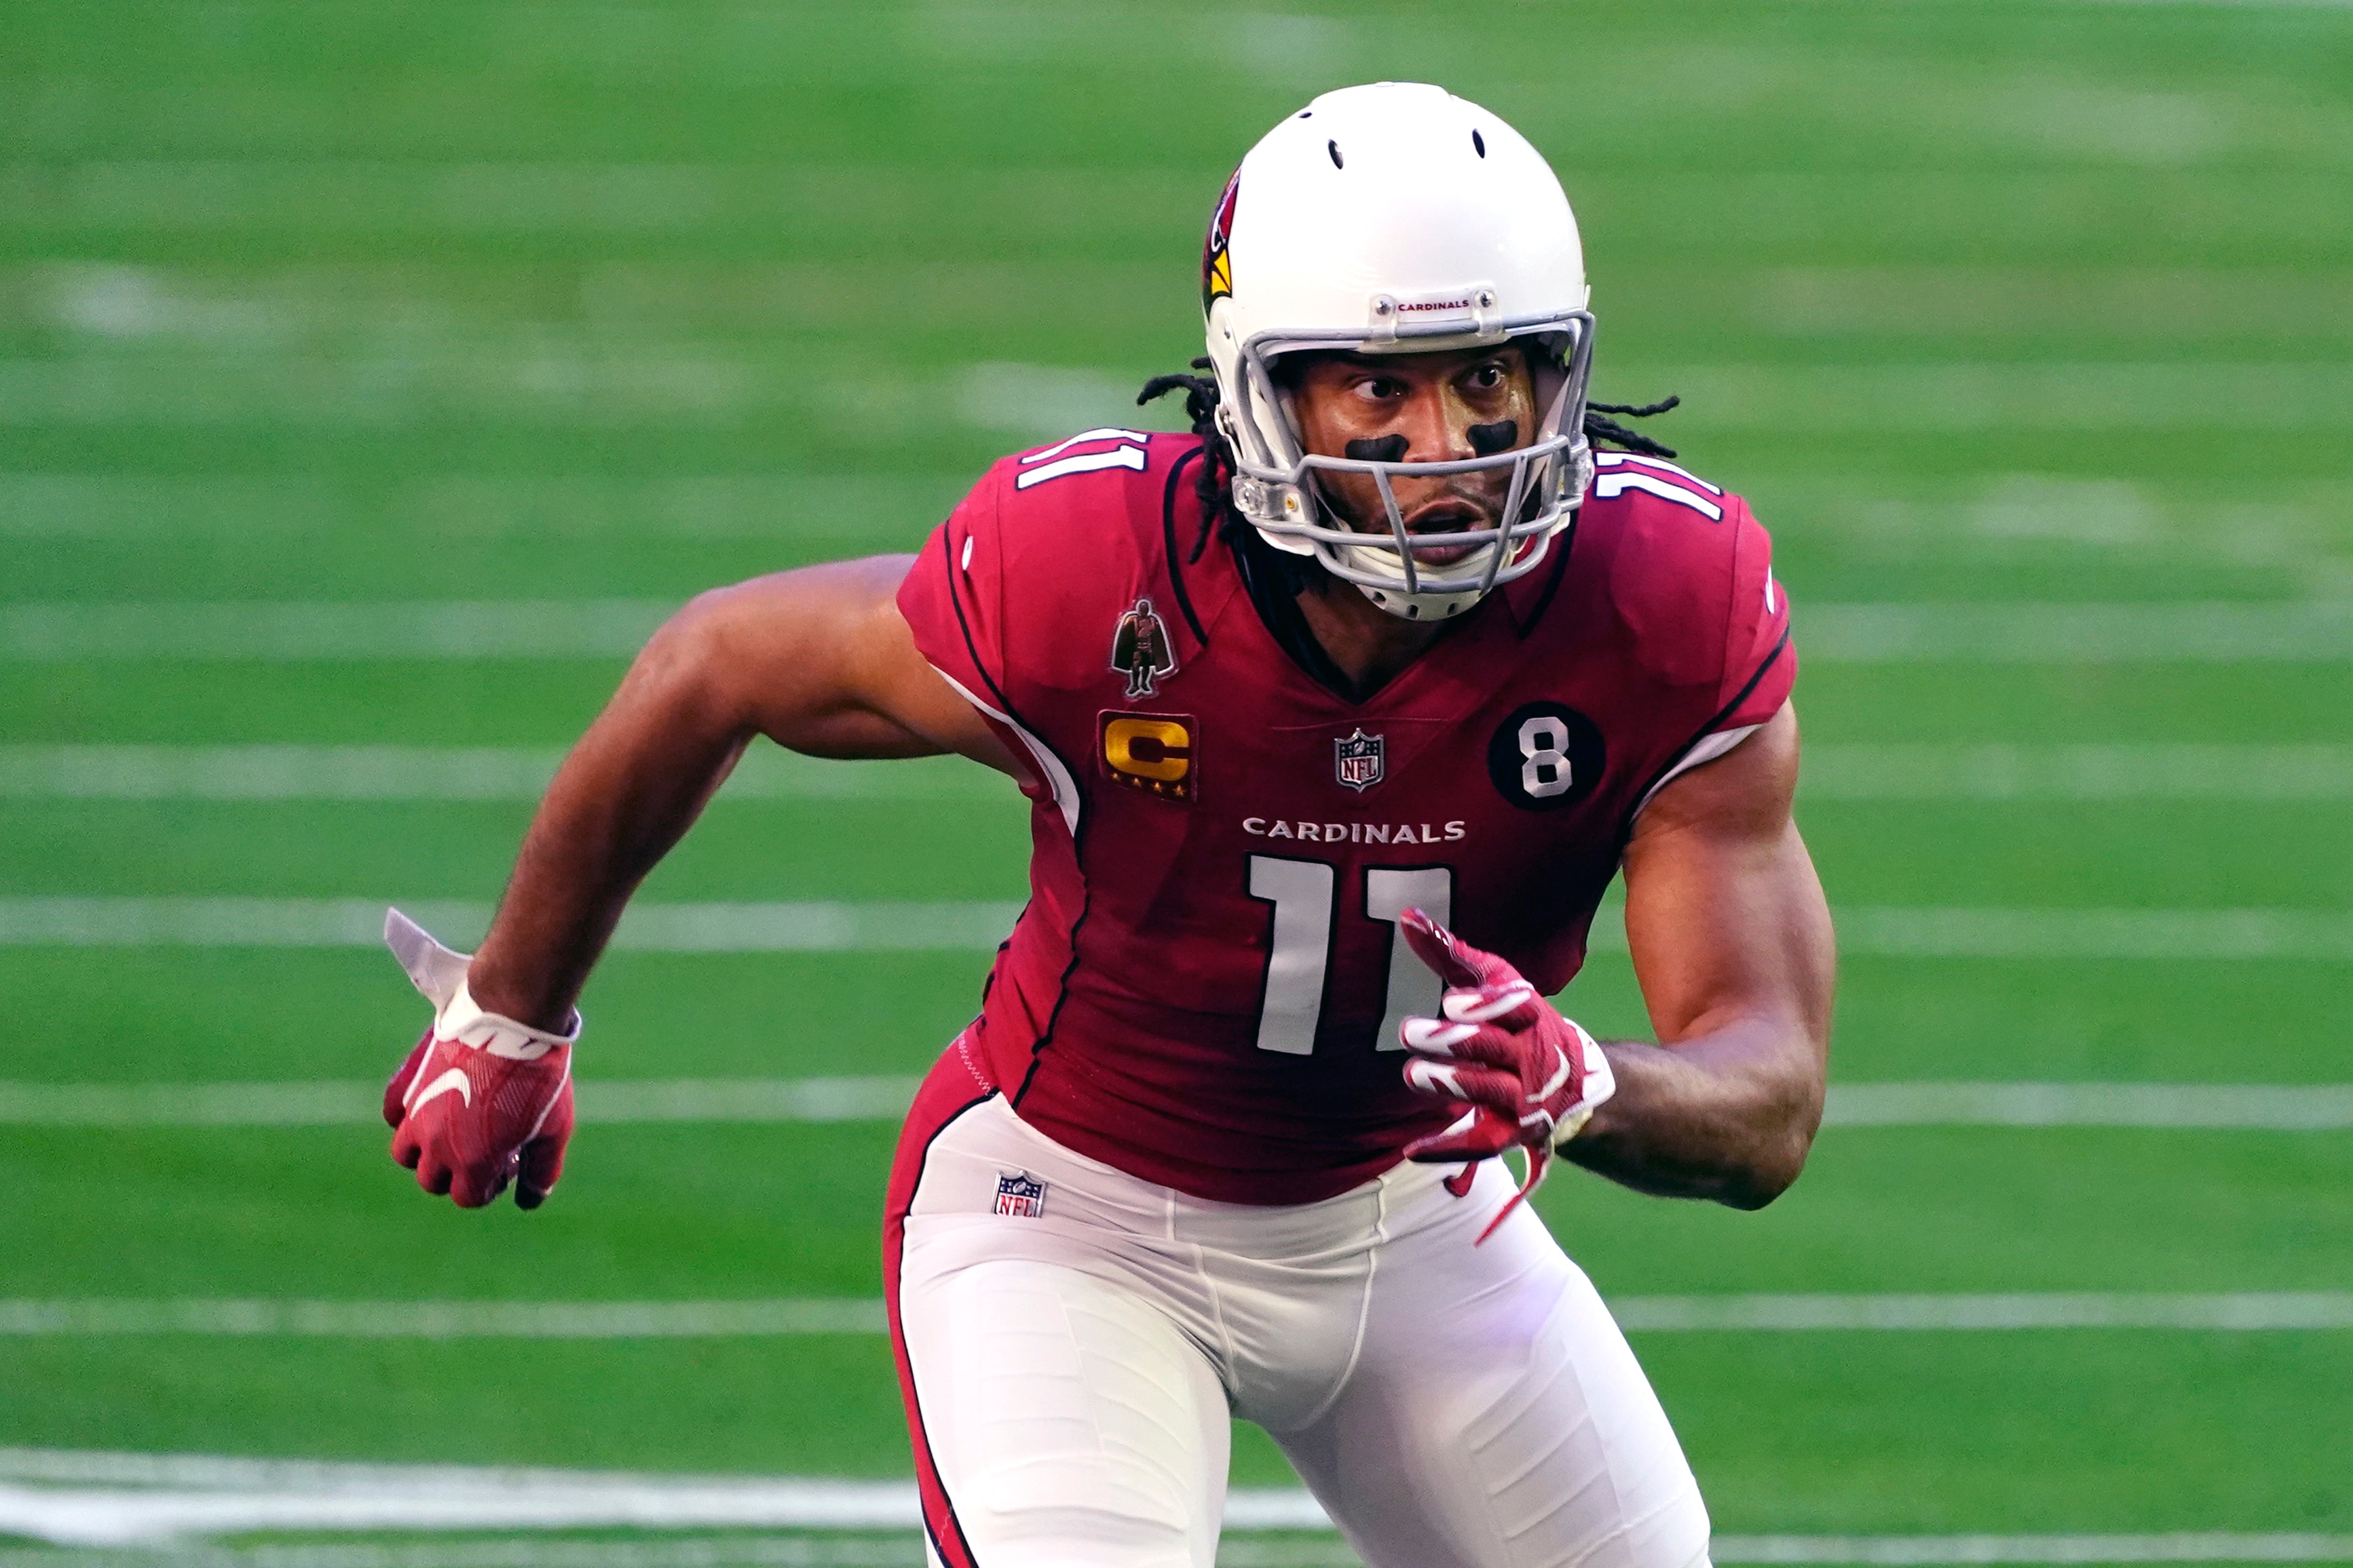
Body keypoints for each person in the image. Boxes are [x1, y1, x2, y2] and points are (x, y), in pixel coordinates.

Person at [378, 82, 1835, 1568]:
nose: (1449, 445)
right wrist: (510, 1012)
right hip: (1069, 1211)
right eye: (1379, 390)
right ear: (1263, 395)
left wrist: (1592, 1084)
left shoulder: (1659, 599)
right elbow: (718, 663)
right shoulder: (1096, 570)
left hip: (1414, 1209)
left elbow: (1769, 1093)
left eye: (1488, 382)